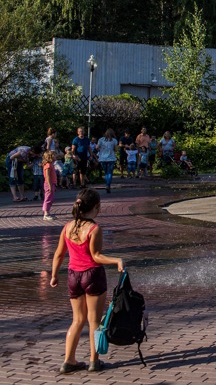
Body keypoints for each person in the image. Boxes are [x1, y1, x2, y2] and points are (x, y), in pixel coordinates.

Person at [49, 189, 124, 373]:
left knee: (77, 320)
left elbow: (59, 254)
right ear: (97, 207)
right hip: (92, 275)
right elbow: (96, 256)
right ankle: (94, 361)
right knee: (94, 321)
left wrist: (54, 275)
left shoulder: (67, 227)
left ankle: (69, 361)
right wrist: (117, 260)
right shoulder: (94, 229)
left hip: (73, 276)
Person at [95, 129, 118, 194]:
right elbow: (116, 149)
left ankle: (106, 184)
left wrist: (101, 149)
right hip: (111, 158)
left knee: (106, 172)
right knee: (110, 172)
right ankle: (108, 185)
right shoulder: (114, 140)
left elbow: (97, 147)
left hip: (103, 158)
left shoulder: (101, 139)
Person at [42, 150, 58, 220]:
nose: (55, 156)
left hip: (52, 184)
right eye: (54, 155)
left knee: (50, 199)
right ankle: (46, 214)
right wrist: (50, 185)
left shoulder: (51, 165)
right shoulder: (48, 165)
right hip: (49, 184)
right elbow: (47, 176)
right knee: (48, 199)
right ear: (50, 157)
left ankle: (47, 212)